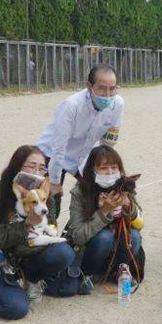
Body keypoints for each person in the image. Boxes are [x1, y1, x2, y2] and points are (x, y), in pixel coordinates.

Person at [0, 145, 75, 320]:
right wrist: (25, 226)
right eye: (31, 166)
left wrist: (47, 231)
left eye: (42, 168)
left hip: (26, 256)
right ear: (17, 166)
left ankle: (30, 278)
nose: (37, 171)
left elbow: (51, 227)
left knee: (63, 252)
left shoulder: (43, 194)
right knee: (16, 309)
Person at [37, 64, 124, 217]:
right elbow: (59, 147)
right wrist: (55, 182)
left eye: (113, 88)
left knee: (96, 193)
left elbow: (108, 142)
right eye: (102, 88)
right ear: (89, 86)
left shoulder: (117, 104)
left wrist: (105, 167)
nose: (108, 94)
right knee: (51, 204)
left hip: (82, 156)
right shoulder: (72, 105)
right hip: (51, 155)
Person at [68, 146, 144, 288]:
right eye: (103, 168)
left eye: (114, 168)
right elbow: (77, 236)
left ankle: (120, 270)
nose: (110, 172)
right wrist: (103, 212)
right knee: (104, 237)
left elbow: (140, 222)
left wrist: (129, 206)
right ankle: (88, 274)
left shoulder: (124, 186)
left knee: (134, 235)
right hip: (90, 248)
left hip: (117, 246)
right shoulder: (80, 192)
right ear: (92, 170)